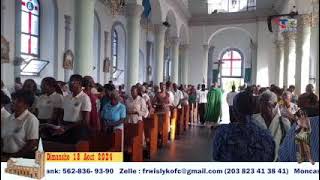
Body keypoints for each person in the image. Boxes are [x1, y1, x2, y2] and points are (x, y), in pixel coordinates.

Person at [212, 91, 275, 162]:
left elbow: (215, 156)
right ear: (254, 110)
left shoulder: (223, 133)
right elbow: (270, 159)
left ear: (234, 111)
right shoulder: (266, 136)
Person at [252, 90, 291, 161]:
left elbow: (288, 145)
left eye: (265, 103)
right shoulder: (254, 120)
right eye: (260, 103)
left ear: (274, 104)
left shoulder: (283, 122)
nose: (261, 106)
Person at [1, 90, 39, 160]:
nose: (14, 102)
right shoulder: (8, 118)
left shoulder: (31, 119)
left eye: (18, 101)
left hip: (21, 157)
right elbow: (3, 139)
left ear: (27, 105)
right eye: (14, 99)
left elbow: (32, 143)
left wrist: (13, 157)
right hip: (6, 155)